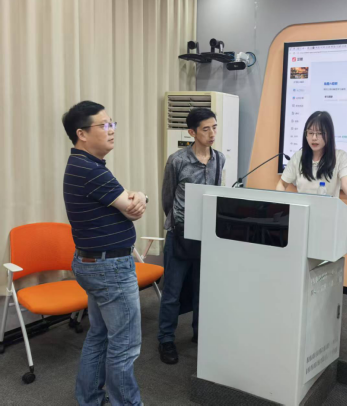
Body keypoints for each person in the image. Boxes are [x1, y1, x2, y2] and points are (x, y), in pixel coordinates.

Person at [62, 101, 148, 407]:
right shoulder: (90, 170)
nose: (111, 131)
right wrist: (140, 195)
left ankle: (89, 399)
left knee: (99, 336)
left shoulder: (84, 165)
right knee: (125, 346)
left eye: (112, 124)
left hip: (94, 263)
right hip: (109, 268)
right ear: (82, 133)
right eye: (104, 125)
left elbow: (129, 203)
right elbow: (132, 208)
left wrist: (136, 197)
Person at [158, 108, 225, 365]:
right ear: (192, 132)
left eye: (214, 127)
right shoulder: (177, 161)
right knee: (172, 293)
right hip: (180, 234)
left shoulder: (219, 159)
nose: (212, 133)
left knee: (202, 290)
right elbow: (167, 198)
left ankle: (200, 333)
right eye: (206, 129)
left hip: (206, 235)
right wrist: (177, 222)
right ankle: (166, 339)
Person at [276, 111, 347, 204]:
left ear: (329, 135)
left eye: (320, 133)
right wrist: (279, 205)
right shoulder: (298, 157)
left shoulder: (340, 157)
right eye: (310, 133)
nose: (314, 138)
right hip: (302, 211)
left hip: (328, 211)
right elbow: (282, 184)